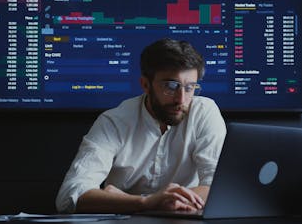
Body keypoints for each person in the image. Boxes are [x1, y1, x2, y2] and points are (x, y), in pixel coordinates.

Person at [55, 38, 227, 214]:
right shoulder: (113, 122)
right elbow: (69, 196)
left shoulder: (204, 112)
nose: (181, 99)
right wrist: (146, 203)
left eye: (190, 87)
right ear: (145, 84)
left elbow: (221, 186)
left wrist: (166, 201)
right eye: (170, 86)